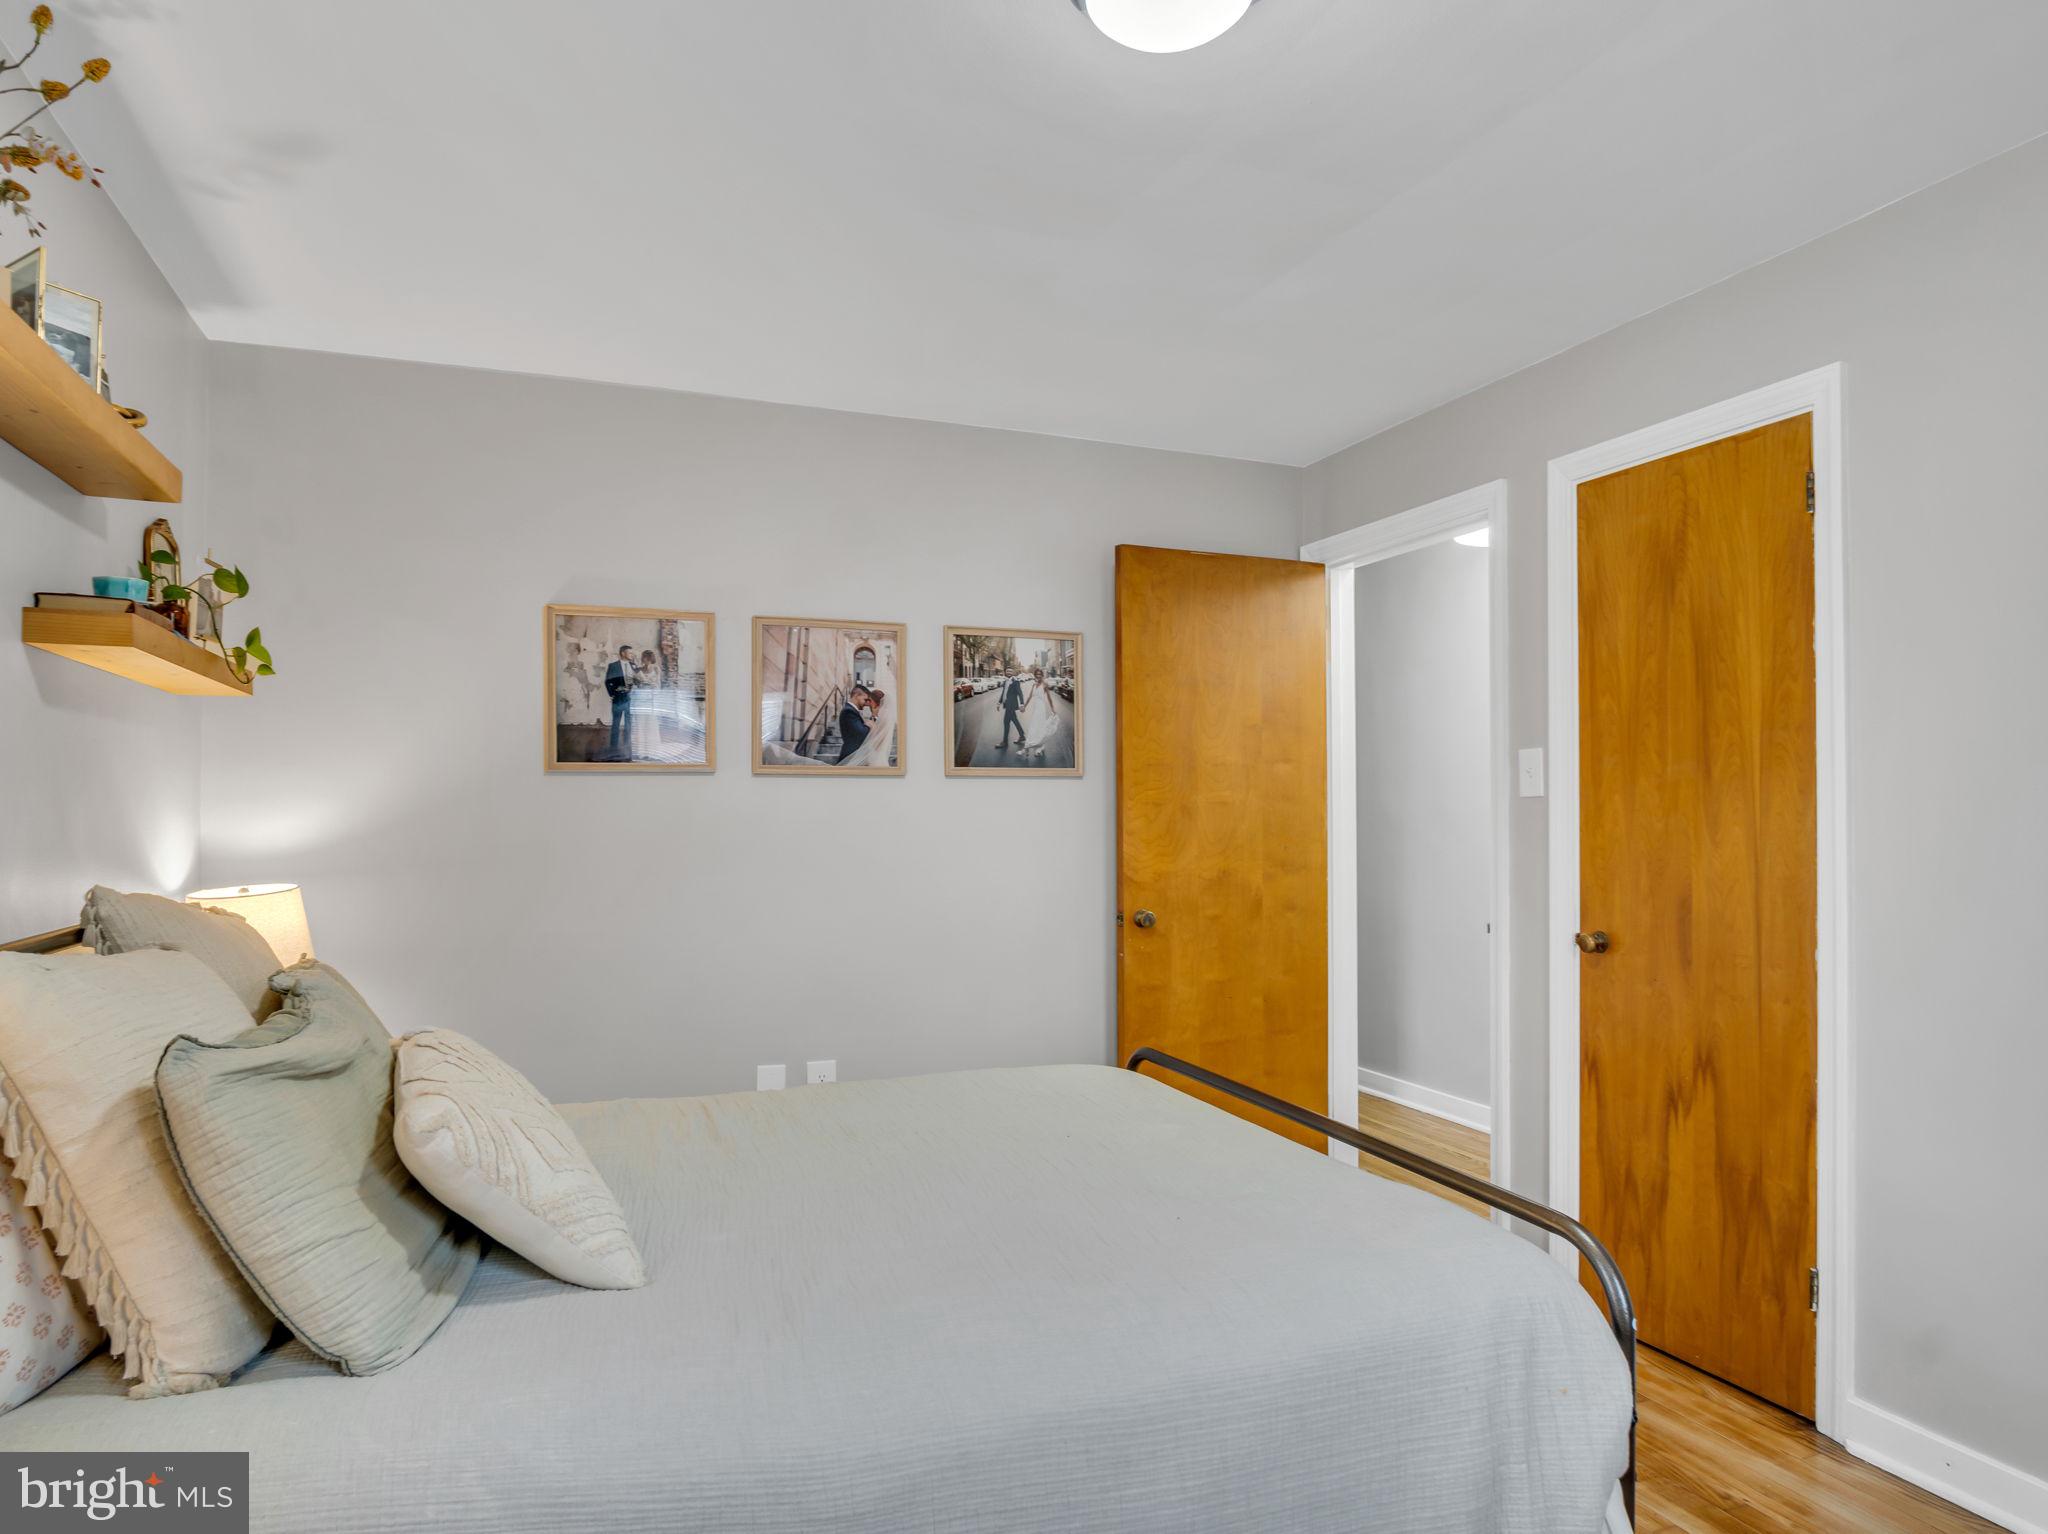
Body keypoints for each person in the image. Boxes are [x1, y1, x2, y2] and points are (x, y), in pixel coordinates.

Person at [628, 648, 664, 760]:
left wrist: (648, 684)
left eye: (647, 658)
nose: (645, 660)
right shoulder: (638, 670)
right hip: (639, 700)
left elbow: (658, 686)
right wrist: (640, 683)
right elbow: (634, 685)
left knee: (651, 725)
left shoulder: (656, 669)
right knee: (640, 725)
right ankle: (640, 752)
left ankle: (652, 752)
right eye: (644, 658)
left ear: (651, 659)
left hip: (651, 700)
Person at [1020, 665, 1061, 760]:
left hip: (1041, 709)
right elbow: (1030, 697)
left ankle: (1040, 747)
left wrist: (1053, 709)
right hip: (1035, 708)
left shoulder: (1045, 684)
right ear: (1035, 675)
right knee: (1034, 726)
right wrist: (1024, 707)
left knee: (1040, 727)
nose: (1038, 676)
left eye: (1040, 674)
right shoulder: (1034, 685)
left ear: (1042, 675)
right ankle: (1035, 745)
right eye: (1037, 674)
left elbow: (1049, 698)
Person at [604, 644, 637, 760]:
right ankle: (613, 749)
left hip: (631, 700)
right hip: (618, 699)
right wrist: (613, 694)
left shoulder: (633, 666)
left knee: (629, 725)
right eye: (630, 653)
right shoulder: (613, 666)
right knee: (616, 724)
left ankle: (627, 748)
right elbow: (608, 682)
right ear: (623, 653)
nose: (632, 655)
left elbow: (637, 681)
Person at [837, 684, 873, 763]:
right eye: (865, 699)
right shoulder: (848, 711)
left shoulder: (852, 710)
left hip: (855, 756)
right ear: (857, 695)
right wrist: (869, 725)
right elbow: (861, 734)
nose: (866, 703)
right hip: (850, 757)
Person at [997, 670, 1027, 750]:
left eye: (1010, 671)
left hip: (1011, 705)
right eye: (1007, 671)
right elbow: (1004, 692)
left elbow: (1020, 693)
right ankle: (1022, 736)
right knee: (1014, 720)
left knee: (1006, 722)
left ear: (1013, 673)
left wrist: (1021, 704)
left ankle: (1005, 742)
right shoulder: (1006, 681)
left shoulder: (1015, 681)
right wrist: (999, 702)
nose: (1009, 673)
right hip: (1006, 705)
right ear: (1006, 673)